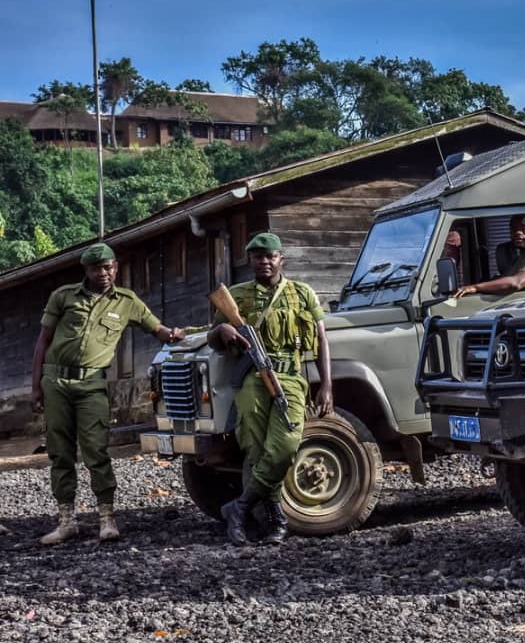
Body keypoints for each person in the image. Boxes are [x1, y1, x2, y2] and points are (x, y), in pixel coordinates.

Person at [31, 242, 185, 545]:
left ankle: (107, 519)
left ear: (116, 267)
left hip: (92, 385)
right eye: (97, 268)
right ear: (86, 271)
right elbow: (42, 341)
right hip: (56, 383)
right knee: (60, 452)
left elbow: (158, 330)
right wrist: (36, 386)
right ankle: (66, 522)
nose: (104, 273)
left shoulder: (127, 302)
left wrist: (175, 335)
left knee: (96, 451)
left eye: (109, 267)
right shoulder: (63, 296)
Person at [208, 232, 333, 546]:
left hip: (290, 377)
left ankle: (239, 508)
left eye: (270, 256)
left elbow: (320, 340)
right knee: (256, 449)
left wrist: (326, 384)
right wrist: (223, 329)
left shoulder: (302, 293)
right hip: (251, 377)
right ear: (250, 261)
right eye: (258, 257)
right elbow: (212, 339)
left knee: (287, 444)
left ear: (281, 259)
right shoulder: (236, 295)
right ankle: (277, 522)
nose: (264, 261)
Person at [452, 214, 525, 297]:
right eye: (513, 228)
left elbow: (517, 283)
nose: (518, 232)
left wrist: (475, 287)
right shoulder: (523, 255)